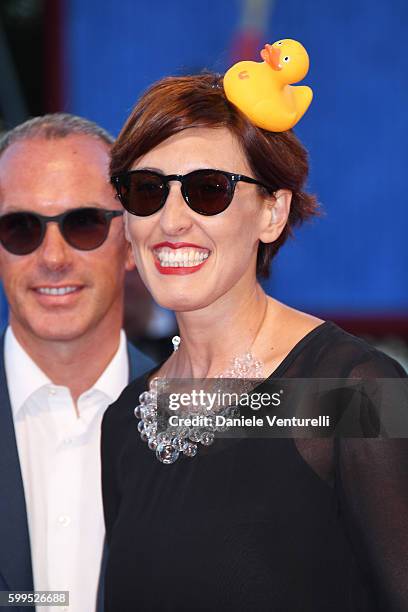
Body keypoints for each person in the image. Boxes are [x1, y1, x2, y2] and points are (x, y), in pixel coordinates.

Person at [101, 70, 408, 612]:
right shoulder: (127, 419)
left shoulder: (353, 394)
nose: (172, 220)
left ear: (273, 211)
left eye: (208, 190)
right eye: (147, 190)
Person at [0, 113, 155, 612]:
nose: (53, 257)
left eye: (83, 223)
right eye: (21, 228)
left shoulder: (207, 423)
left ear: (130, 242)